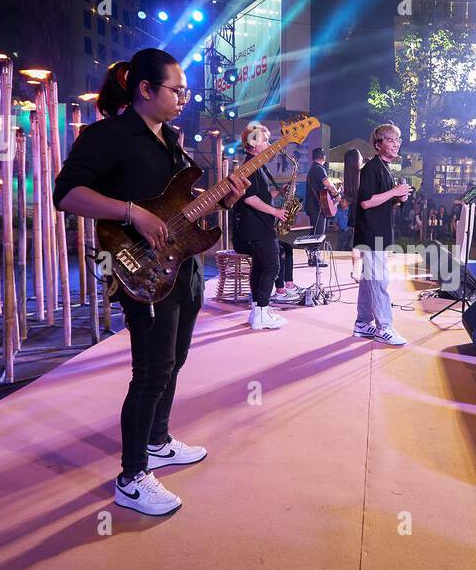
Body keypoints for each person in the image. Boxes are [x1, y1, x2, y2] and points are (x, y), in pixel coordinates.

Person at [54, 48, 249, 516]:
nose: (184, 97)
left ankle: (158, 440)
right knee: (150, 372)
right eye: (176, 89)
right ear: (145, 90)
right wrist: (130, 212)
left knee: (175, 359)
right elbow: (67, 194)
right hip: (139, 268)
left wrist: (222, 199)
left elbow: (176, 203)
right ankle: (132, 475)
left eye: (185, 90)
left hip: (181, 267)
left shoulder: (172, 140)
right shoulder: (109, 136)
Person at [353, 123, 410, 345]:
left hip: (379, 231)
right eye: (391, 140)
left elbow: (381, 202)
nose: (396, 144)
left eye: (398, 140)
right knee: (379, 279)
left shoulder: (384, 168)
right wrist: (395, 192)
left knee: (370, 279)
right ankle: (384, 327)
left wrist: (398, 198)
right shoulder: (371, 169)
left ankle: (362, 323)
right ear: (378, 145)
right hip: (372, 232)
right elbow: (366, 202)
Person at [231, 121, 290, 330]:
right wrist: (275, 211)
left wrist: (276, 194)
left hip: (255, 225)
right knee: (272, 266)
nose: (268, 143)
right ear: (254, 143)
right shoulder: (251, 166)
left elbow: (259, 195)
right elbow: (249, 199)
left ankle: (257, 310)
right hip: (259, 226)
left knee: (259, 267)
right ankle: (263, 312)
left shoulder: (255, 165)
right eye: (265, 140)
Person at [304, 147, 335, 267]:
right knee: (318, 233)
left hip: (313, 206)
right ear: (323, 158)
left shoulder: (312, 169)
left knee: (314, 233)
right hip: (317, 207)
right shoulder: (319, 169)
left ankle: (312, 257)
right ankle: (314, 259)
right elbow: (328, 184)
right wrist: (336, 193)